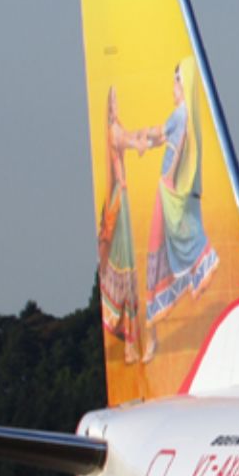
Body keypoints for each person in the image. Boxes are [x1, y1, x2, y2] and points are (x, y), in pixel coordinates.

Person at [137, 58, 219, 350]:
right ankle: (158, 323)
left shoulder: (179, 115)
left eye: (175, 80)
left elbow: (166, 135)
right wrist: (142, 140)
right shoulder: (185, 117)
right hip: (172, 185)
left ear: (183, 84)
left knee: (156, 245)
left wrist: (166, 176)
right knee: (167, 242)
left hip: (167, 186)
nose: (172, 87)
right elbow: (163, 137)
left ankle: (154, 330)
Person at [95, 86, 143, 362]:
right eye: (113, 99)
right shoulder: (115, 130)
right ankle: (130, 343)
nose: (117, 103)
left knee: (128, 270)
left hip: (121, 201)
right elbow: (130, 140)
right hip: (120, 203)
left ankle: (130, 341)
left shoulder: (117, 128)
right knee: (128, 271)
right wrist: (144, 142)